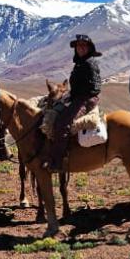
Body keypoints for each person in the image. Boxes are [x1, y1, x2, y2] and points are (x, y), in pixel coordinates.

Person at [44, 35, 102, 172]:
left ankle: (58, 162)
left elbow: (95, 86)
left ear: (89, 48)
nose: (80, 48)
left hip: (86, 99)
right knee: (53, 111)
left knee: (63, 123)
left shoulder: (89, 63)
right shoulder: (80, 63)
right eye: (78, 46)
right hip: (76, 97)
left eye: (83, 45)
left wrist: (77, 96)